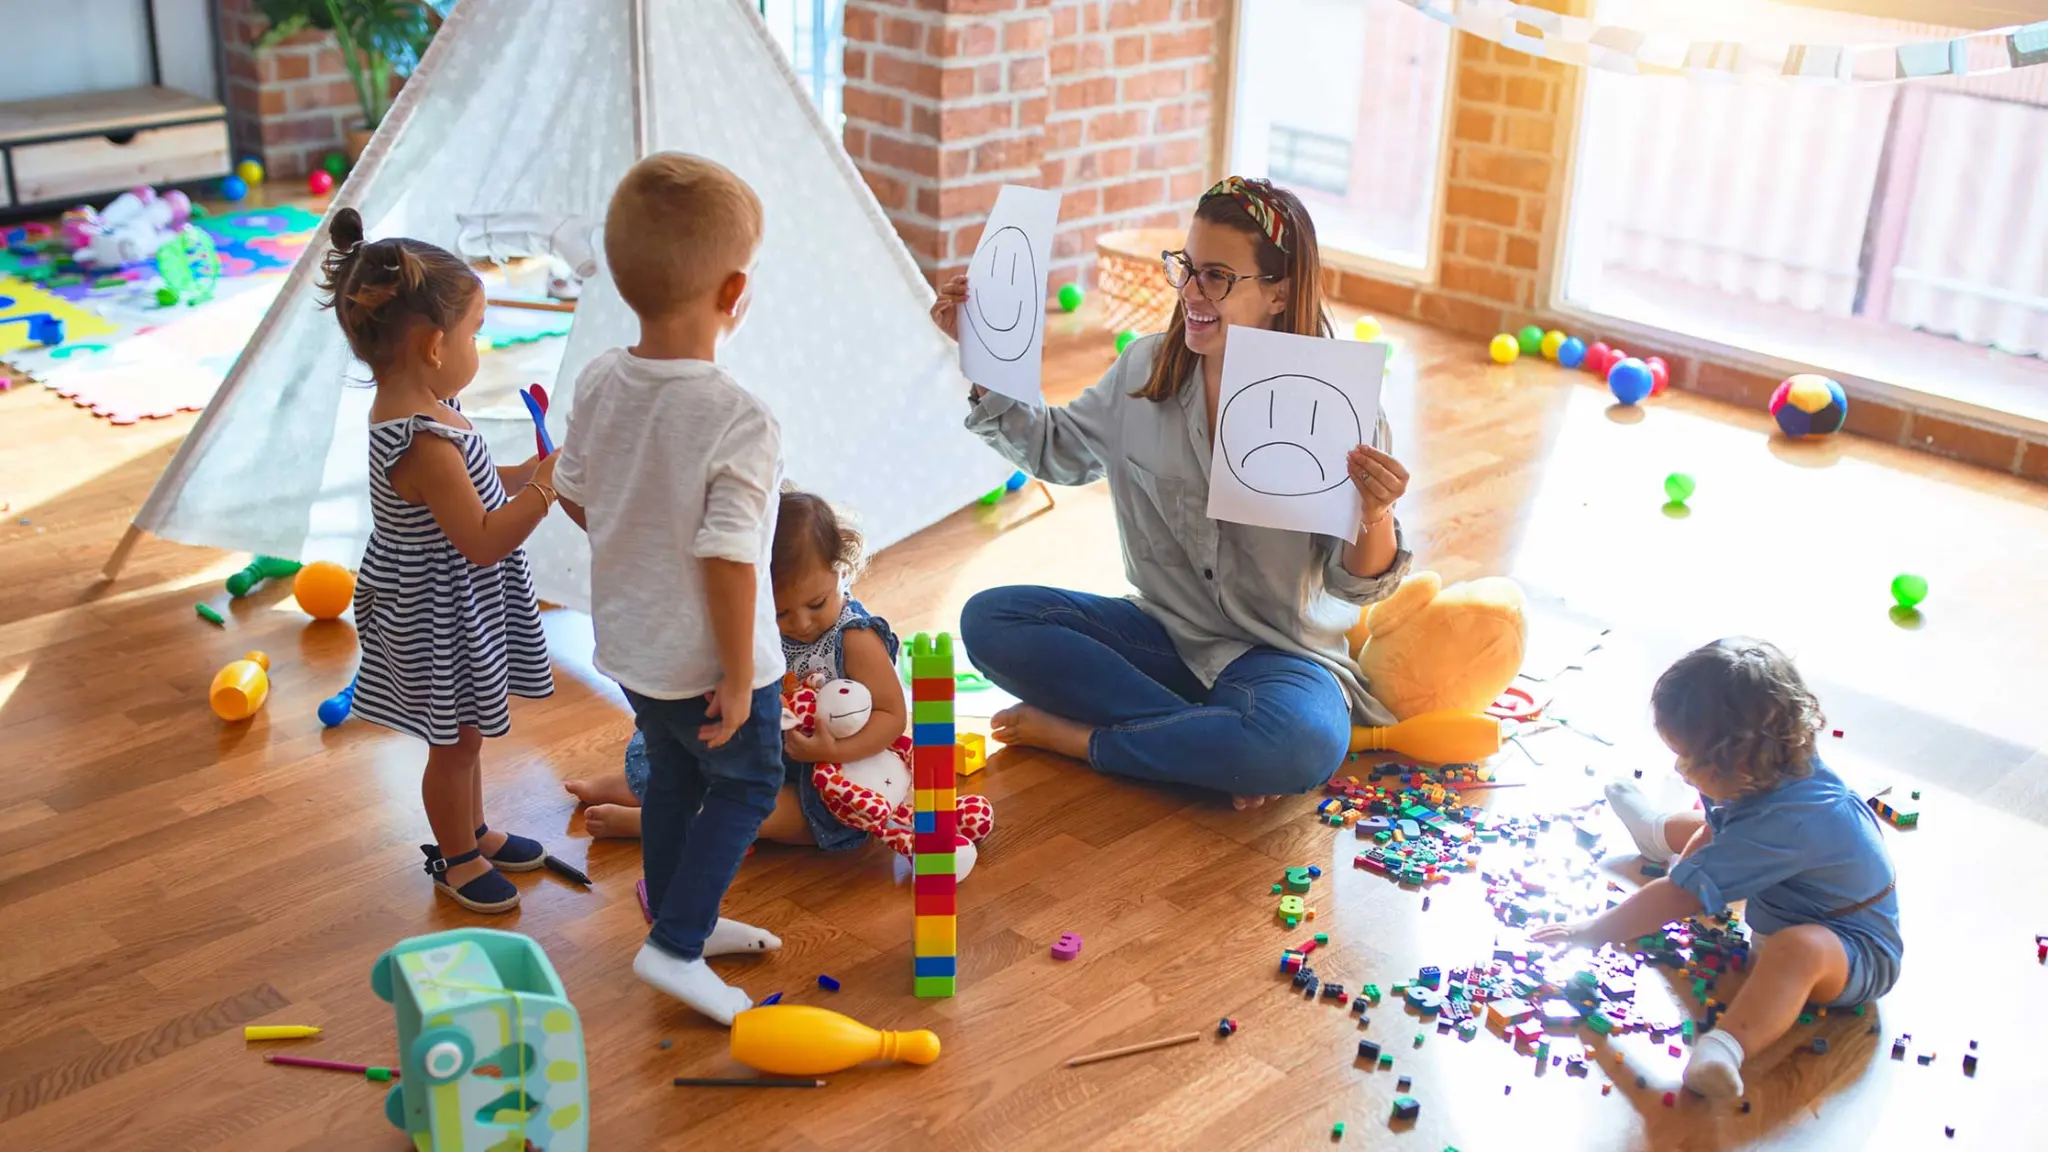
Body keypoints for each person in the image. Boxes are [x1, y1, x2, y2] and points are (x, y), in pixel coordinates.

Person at [929, 176, 1414, 808]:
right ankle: (1205, 747)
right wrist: (979, 355)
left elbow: (1354, 586)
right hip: (1160, 637)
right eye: (1186, 268)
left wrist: (1375, 514)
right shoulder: (1144, 370)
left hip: (1282, 659)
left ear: (1280, 292)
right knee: (990, 619)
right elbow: (1057, 450)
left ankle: (1088, 741)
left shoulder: (1339, 403)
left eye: (1215, 275)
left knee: (1303, 742)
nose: (1190, 292)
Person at [552, 153, 784, 1024]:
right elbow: (730, 554)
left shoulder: (602, 380)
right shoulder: (738, 416)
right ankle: (677, 946)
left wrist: (638, 540)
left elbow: (578, 496)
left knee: (676, 781)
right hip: (712, 660)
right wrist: (734, 672)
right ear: (735, 292)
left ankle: (683, 914)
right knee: (747, 784)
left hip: (634, 647)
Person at [1532, 638, 1903, 1099]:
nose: (1679, 768)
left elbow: (1677, 897)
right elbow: (1719, 826)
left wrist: (1594, 929)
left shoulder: (1796, 820)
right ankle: (1655, 831)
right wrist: (1687, 866)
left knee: (1795, 949)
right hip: (1792, 890)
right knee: (1719, 827)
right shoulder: (1768, 772)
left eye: (1686, 759)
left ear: (1740, 760)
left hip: (1852, 951)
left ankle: (1726, 1047)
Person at [318, 208, 557, 914]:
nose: (480, 347)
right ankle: (454, 859)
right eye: (476, 332)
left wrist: (525, 473)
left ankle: (474, 831)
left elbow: (478, 486)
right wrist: (543, 491)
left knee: (469, 730)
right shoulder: (422, 438)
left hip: (453, 602)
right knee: (453, 742)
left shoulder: (434, 406)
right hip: (433, 612)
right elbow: (482, 537)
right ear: (430, 344)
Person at [564, 489, 909, 850]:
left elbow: (892, 715)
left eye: (817, 603)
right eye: (780, 613)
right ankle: (634, 787)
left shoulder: (855, 638)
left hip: (834, 770)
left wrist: (834, 752)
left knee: (773, 814)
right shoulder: (759, 624)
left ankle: (657, 824)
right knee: (691, 750)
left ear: (840, 567)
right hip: (766, 755)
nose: (802, 622)